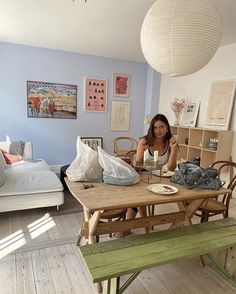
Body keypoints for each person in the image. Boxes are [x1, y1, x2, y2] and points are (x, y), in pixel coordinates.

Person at [126, 113, 178, 233]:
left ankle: (132, 227)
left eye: (161, 127)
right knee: (141, 195)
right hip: (143, 174)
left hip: (160, 175)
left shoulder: (171, 142)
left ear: (167, 128)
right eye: (155, 127)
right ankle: (145, 226)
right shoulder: (145, 141)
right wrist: (138, 159)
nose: (158, 130)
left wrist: (174, 149)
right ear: (151, 128)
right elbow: (138, 164)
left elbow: (170, 168)